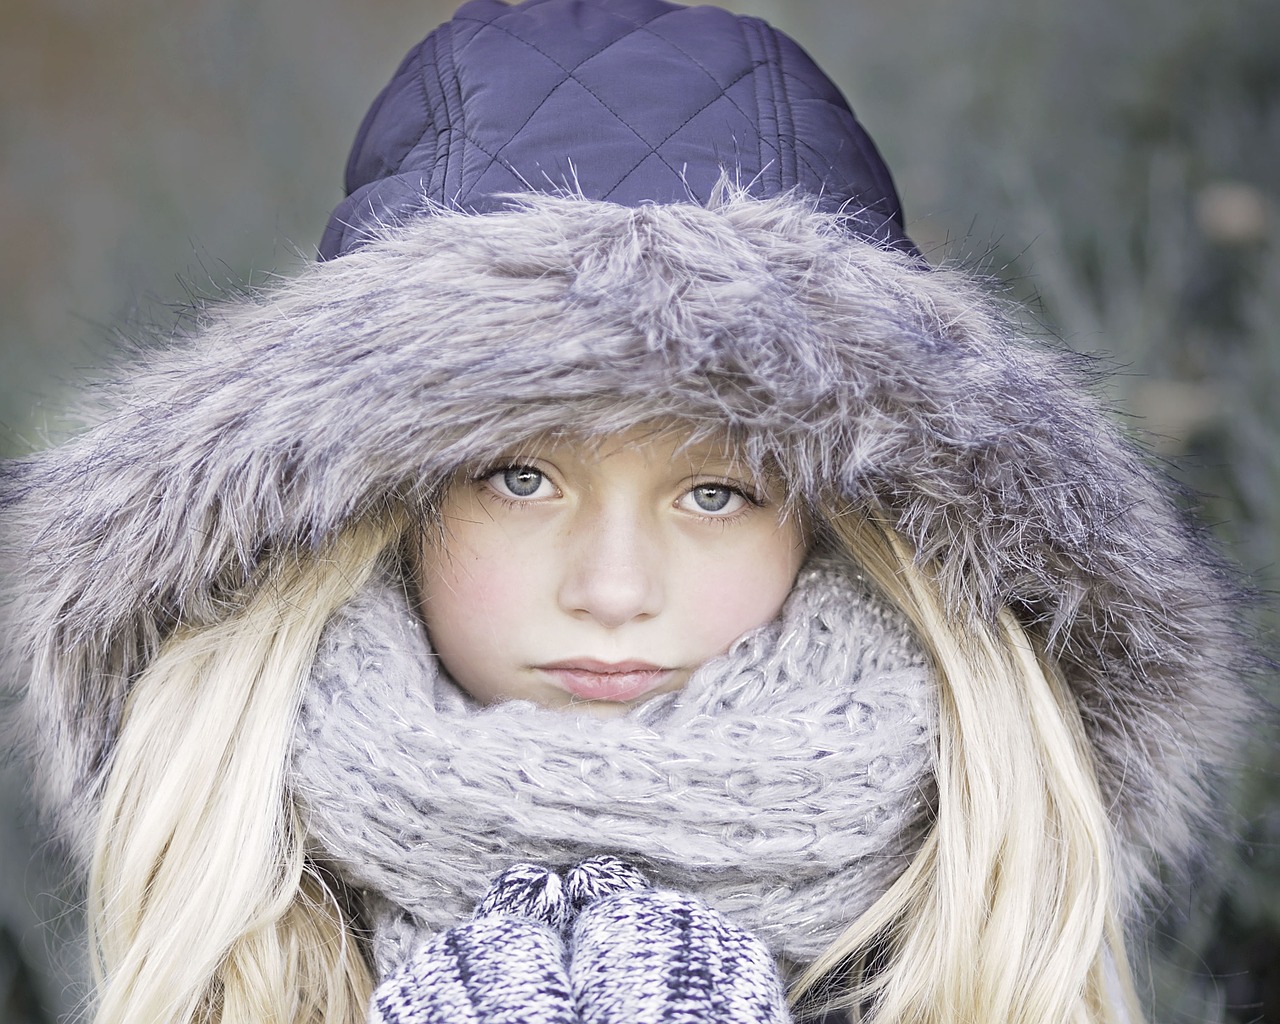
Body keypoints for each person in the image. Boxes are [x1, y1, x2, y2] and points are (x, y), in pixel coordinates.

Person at [0, 1, 1256, 1022]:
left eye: (715, 492)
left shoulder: (995, 950)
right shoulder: (229, 927)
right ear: (371, 510)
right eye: (519, 476)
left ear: (846, 533)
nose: (611, 587)